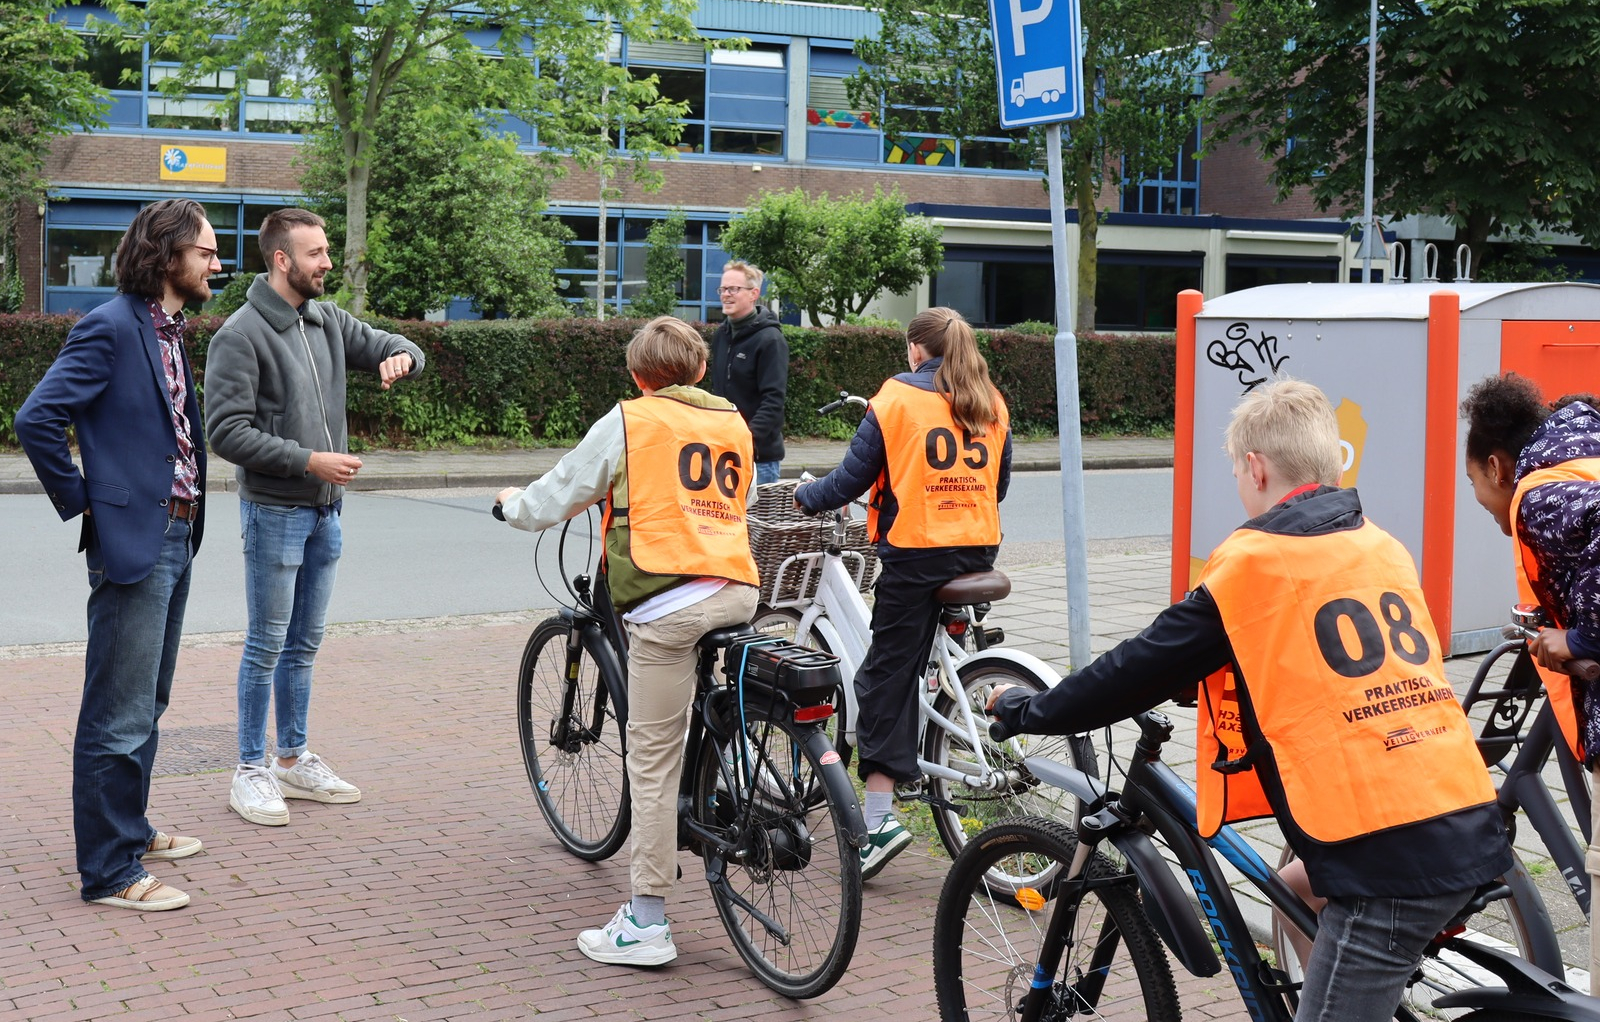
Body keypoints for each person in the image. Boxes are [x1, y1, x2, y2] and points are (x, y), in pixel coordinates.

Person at [988, 378, 1512, 1022]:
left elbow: (1131, 668)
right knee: (1290, 896)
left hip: (1387, 857)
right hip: (1460, 809)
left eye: (1237, 471)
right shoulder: (1377, 544)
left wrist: (1024, 709)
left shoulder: (1256, 563)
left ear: (1256, 468)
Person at [494, 315, 761, 967]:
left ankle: (645, 924)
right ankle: (729, 776)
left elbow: (558, 493)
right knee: (704, 705)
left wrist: (511, 503)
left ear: (638, 377)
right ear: (701, 371)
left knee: (650, 758)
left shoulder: (629, 420)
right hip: (737, 587)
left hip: (668, 602)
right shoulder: (732, 421)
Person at [14, 198, 220, 910]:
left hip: (176, 535)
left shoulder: (167, 331)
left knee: (148, 699)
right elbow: (37, 418)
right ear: (169, 256)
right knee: (117, 712)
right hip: (136, 540)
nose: (217, 265)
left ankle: (129, 829)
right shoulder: (108, 327)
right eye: (207, 253)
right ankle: (109, 873)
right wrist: (87, 502)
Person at [205, 207, 425, 827]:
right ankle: (249, 769)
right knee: (267, 645)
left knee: (303, 645)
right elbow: (225, 432)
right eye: (316, 254)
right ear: (282, 260)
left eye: (327, 251)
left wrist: (403, 357)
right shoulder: (241, 334)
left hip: (326, 514)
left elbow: (392, 342)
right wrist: (308, 462)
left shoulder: (324, 318)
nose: (328, 263)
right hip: (275, 512)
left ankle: (292, 758)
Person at [794, 306, 1013, 880]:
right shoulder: (989, 399)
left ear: (917, 349)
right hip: (978, 548)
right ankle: (945, 698)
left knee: (883, 676)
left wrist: (806, 496)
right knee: (912, 657)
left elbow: (850, 481)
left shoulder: (893, 398)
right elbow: (1001, 483)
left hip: (918, 555)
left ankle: (879, 820)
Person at [1461, 372, 1600, 993]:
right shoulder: (1583, 451)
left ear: (1496, 466)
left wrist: (1583, 639)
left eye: (1474, 485)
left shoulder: (1539, 496)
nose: (1481, 502)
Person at [708, 260, 787, 484]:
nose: (726, 295)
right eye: (723, 289)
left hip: (758, 460)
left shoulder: (770, 339)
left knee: (755, 521)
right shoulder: (721, 335)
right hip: (723, 454)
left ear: (754, 294)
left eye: (734, 289)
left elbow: (773, 401)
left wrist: (745, 439)